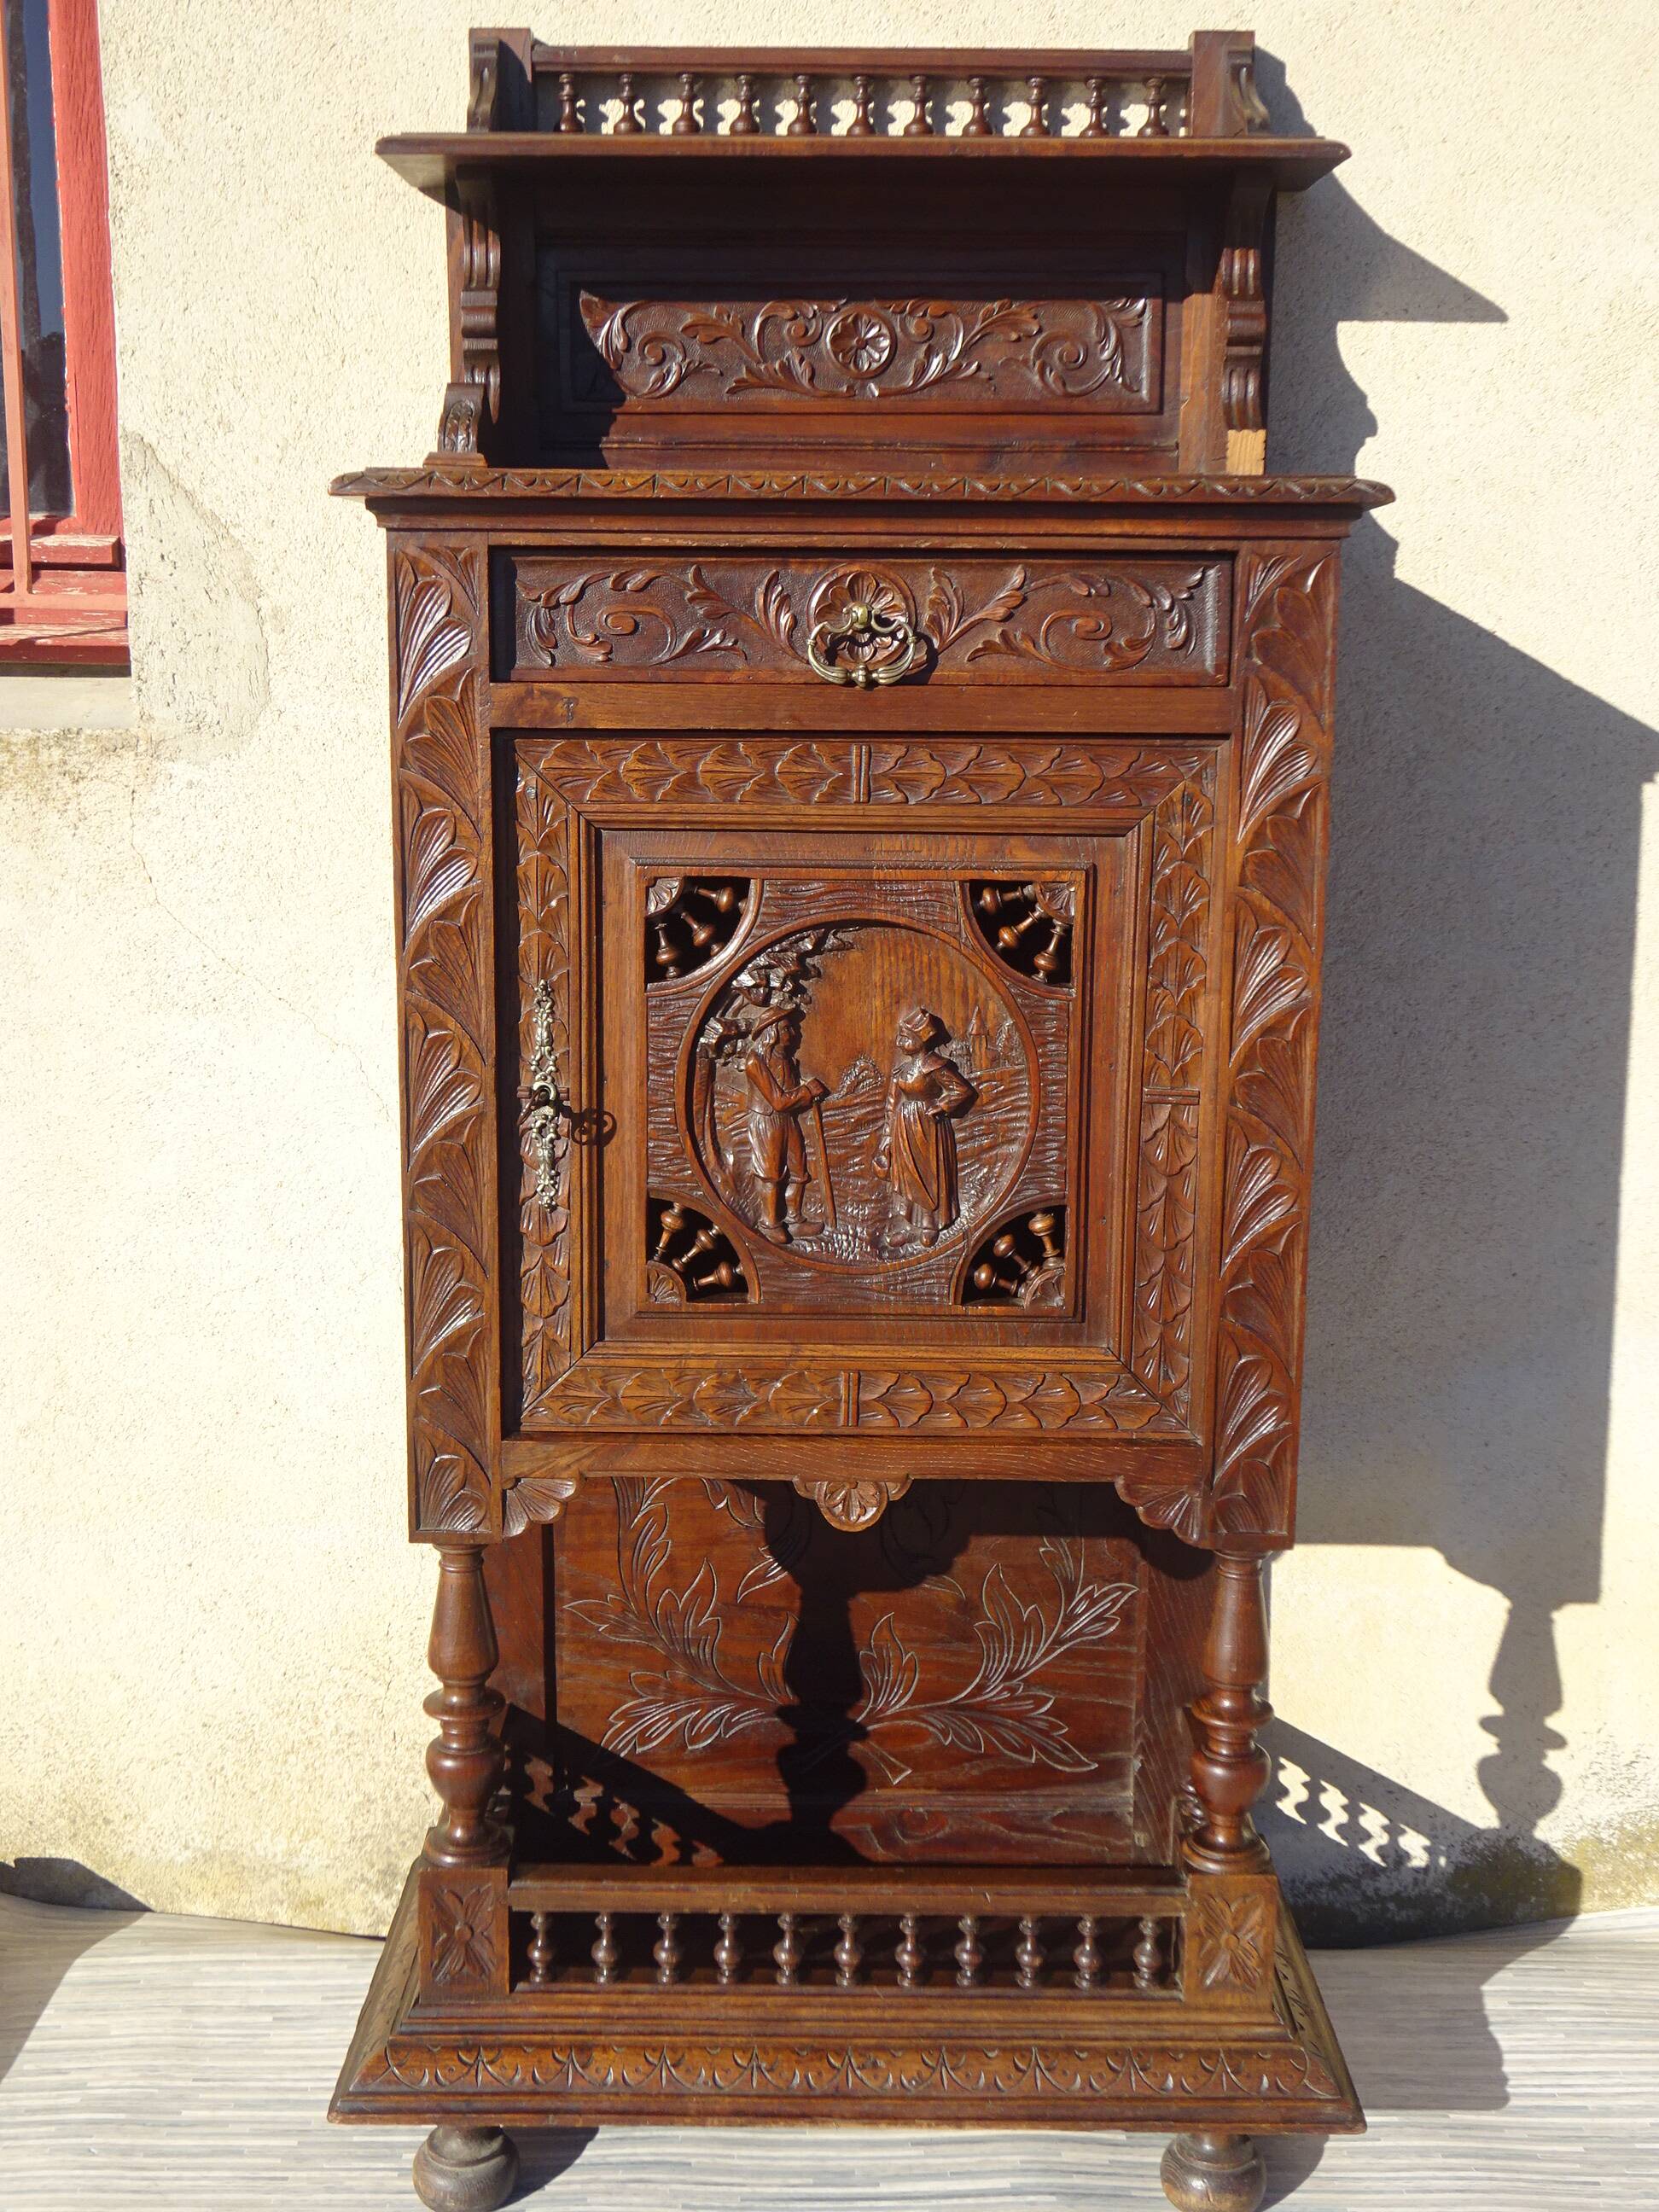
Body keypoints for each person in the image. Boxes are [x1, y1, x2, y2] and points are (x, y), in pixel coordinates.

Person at [873, 1007, 975, 1247]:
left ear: (922, 1041)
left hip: (928, 1128)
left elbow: (963, 1090)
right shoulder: (901, 1070)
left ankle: (930, 1224)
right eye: (900, 1036)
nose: (899, 1042)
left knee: (927, 1176)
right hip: (903, 1127)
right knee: (907, 1175)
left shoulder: (935, 1066)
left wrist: (942, 1106)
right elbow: (892, 1103)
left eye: (906, 1038)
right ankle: (910, 1226)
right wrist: (887, 1139)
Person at [742, 1007, 827, 1242]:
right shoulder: (755, 1061)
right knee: (771, 1173)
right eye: (787, 1028)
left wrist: (809, 1094)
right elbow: (778, 1101)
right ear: (772, 1033)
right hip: (767, 1120)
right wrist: (807, 1091)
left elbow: (792, 1094)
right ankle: (770, 1223)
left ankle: (795, 1219)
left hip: (788, 1119)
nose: (795, 1032)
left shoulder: (787, 1059)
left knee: (798, 1168)